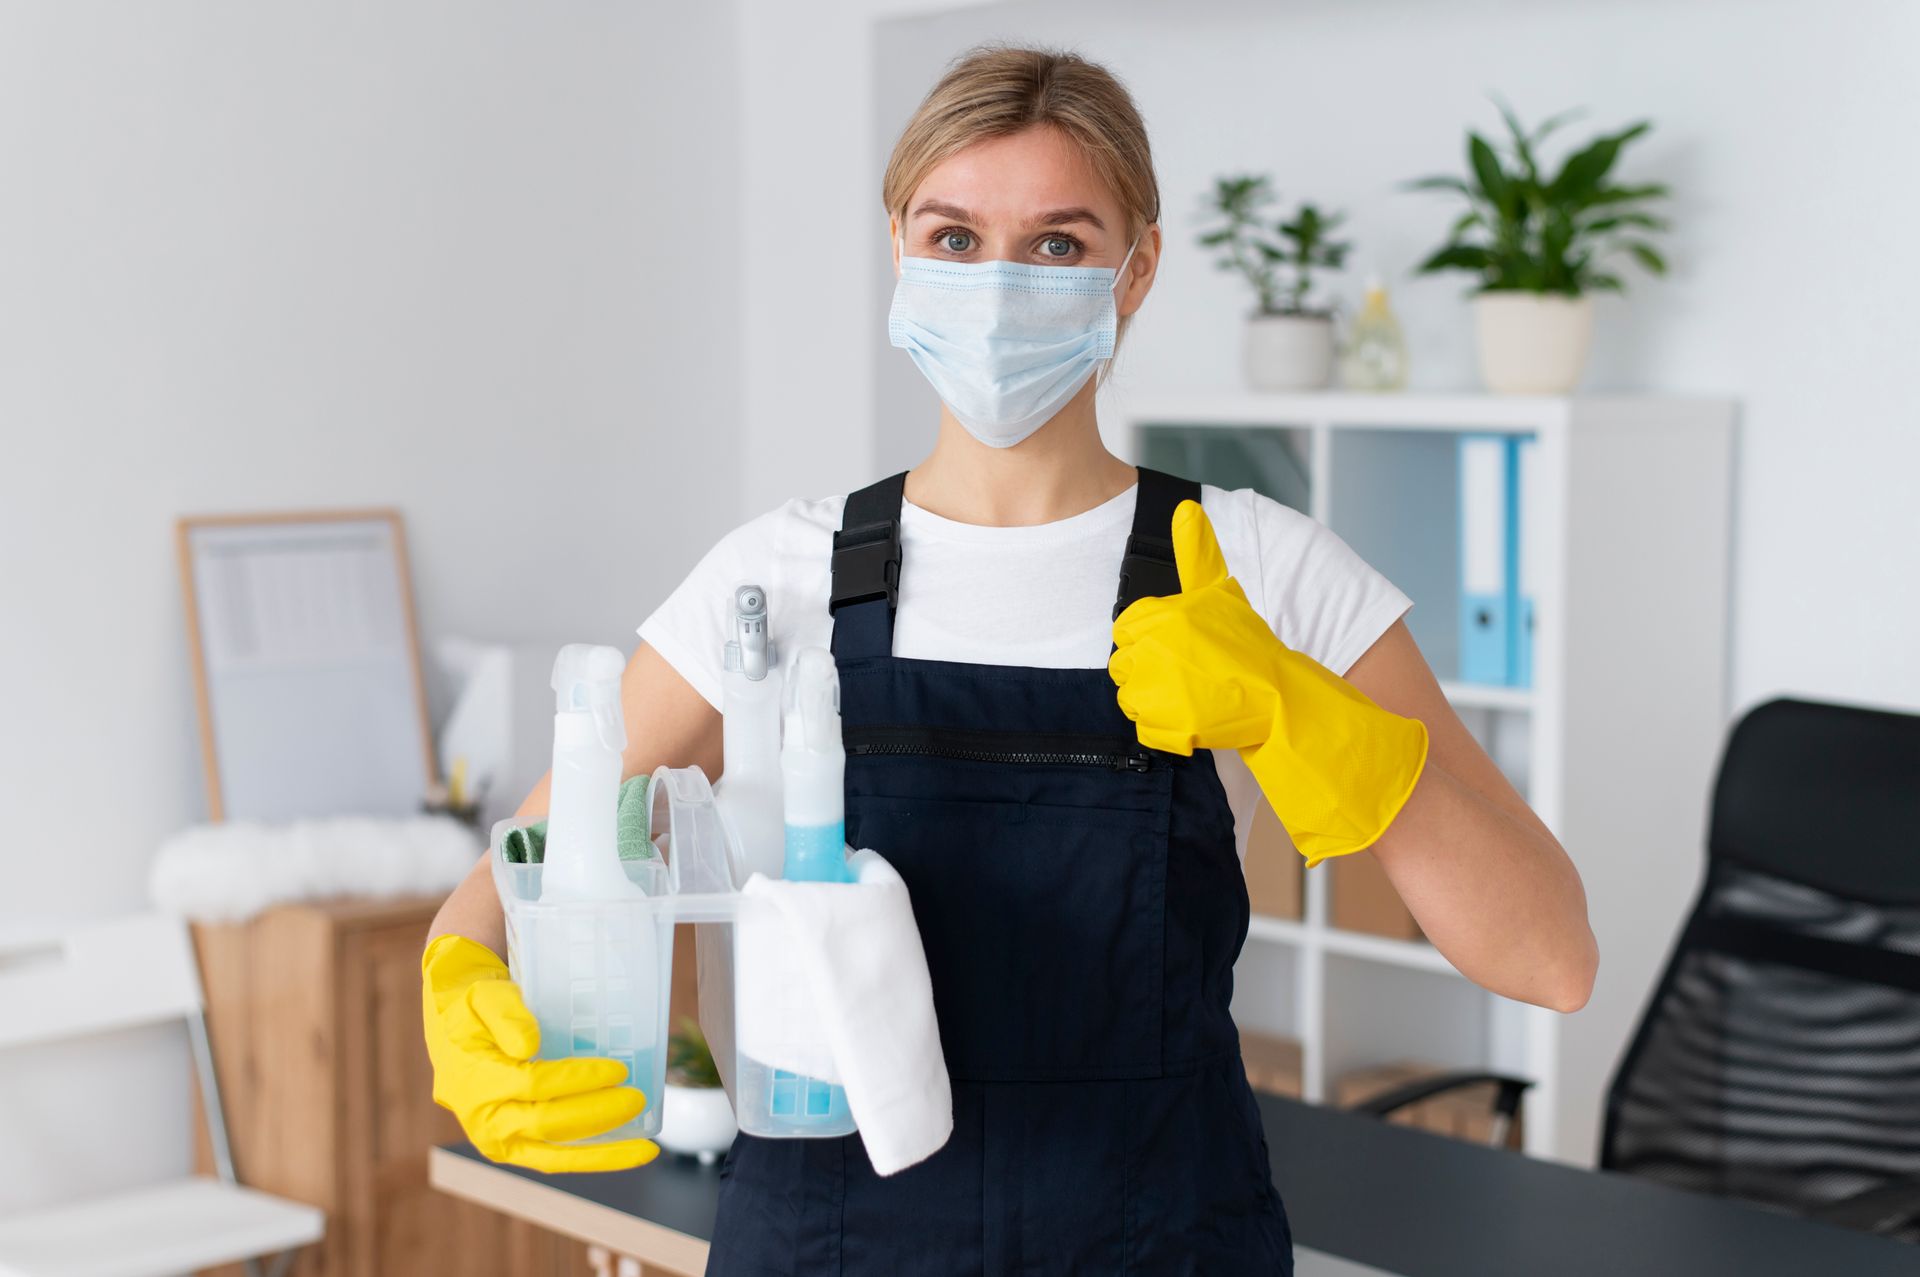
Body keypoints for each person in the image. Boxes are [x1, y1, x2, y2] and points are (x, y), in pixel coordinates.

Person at [421, 45, 1597, 1275]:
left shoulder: (1255, 567)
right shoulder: (776, 574)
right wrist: (457, 977)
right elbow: (515, 871)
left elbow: (1550, 953)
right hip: (829, 1251)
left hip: (1155, 1245)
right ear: (897, 243)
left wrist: (1300, 713)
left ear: (1137, 268)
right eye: (953, 236)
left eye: (1056, 244)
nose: (996, 284)